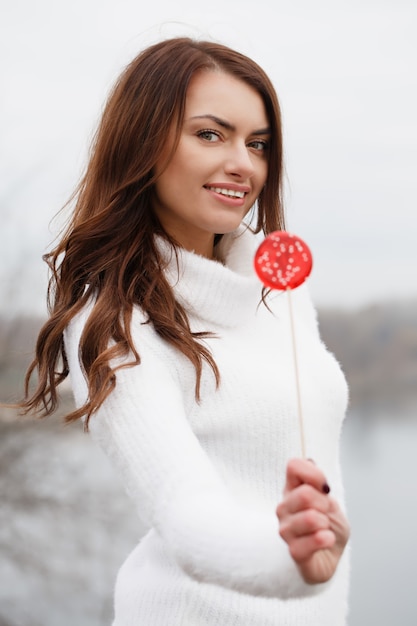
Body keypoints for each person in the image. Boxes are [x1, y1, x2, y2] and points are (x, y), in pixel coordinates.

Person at [21, 37, 350, 625]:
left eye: (258, 144)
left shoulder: (278, 288)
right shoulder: (114, 321)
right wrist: (291, 560)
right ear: (143, 143)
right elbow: (186, 514)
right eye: (209, 134)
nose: (243, 164)